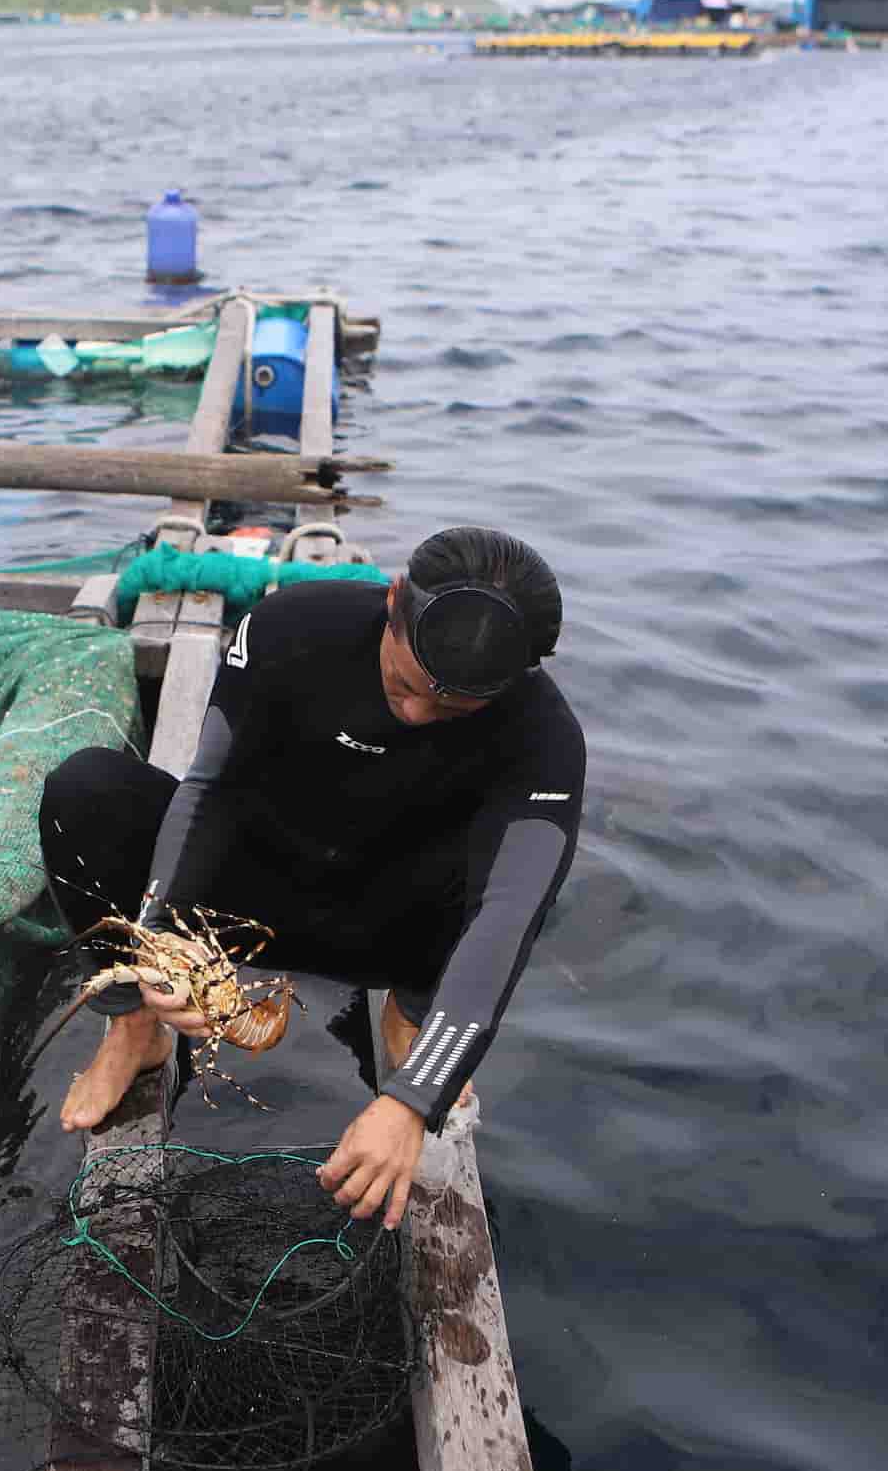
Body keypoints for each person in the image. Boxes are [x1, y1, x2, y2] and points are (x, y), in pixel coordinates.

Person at [36, 526, 584, 1231]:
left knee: (515, 881)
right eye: (404, 686)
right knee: (85, 788)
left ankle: (414, 1023)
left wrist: (414, 1098)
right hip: (254, 891)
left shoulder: (544, 737)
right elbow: (211, 789)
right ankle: (135, 1031)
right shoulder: (291, 628)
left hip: (391, 926)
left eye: (450, 711)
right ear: (393, 604)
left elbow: (507, 921)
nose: (416, 713)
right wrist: (164, 937)